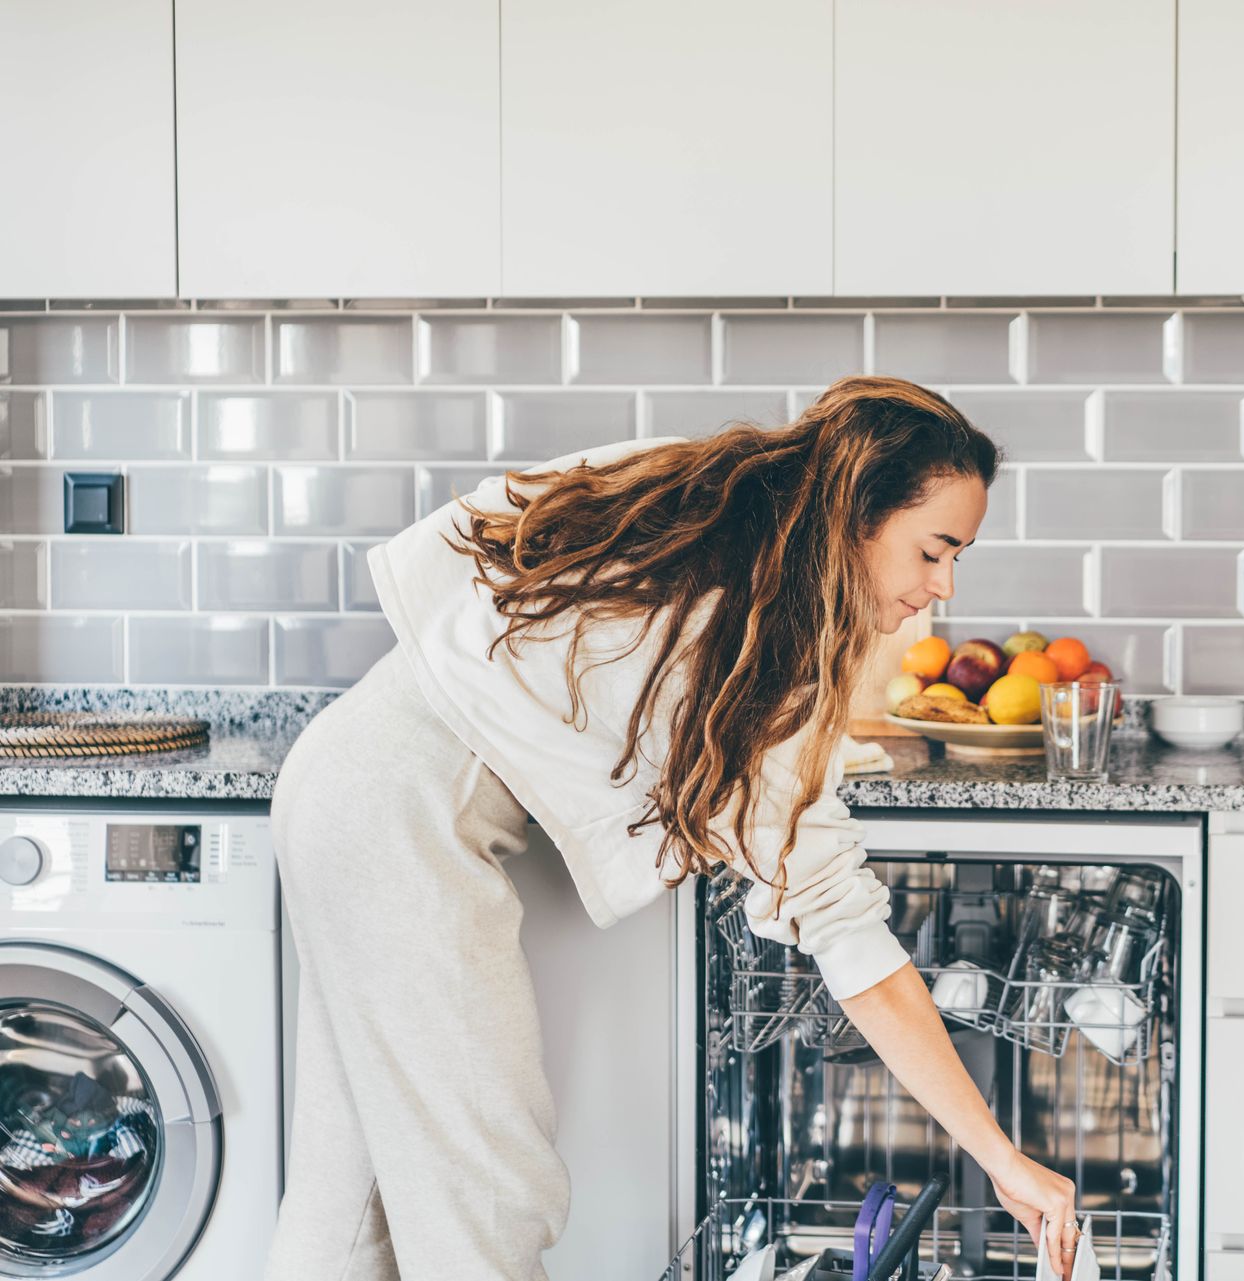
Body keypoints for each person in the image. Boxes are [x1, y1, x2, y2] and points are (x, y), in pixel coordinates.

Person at [265, 376, 1079, 1280]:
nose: (943, 585)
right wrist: (1001, 1157)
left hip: (346, 779)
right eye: (935, 550)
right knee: (489, 1195)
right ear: (860, 510)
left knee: (349, 1203)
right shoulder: (759, 630)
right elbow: (848, 937)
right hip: (399, 823)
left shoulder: (709, 506)